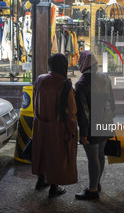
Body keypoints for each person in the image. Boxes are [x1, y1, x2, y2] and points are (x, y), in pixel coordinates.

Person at [31, 53, 78, 198]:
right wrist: (73, 130)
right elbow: (71, 112)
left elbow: (34, 101)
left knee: (42, 153)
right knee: (56, 156)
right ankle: (54, 187)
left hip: (39, 125)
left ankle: (40, 180)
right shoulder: (65, 85)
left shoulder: (39, 79)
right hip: (57, 127)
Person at [75, 51, 116, 200]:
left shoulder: (81, 84)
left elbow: (83, 112)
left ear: (83, 63)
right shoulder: (105, 78)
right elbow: (112, 103)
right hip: (105, 122)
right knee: (100, 155)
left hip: (91, 127)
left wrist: (84, 133)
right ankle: (97, 184)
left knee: (93, 158)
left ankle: (92, 190)